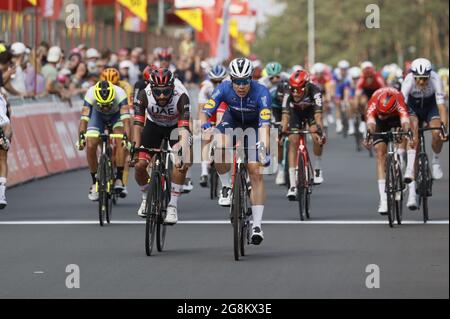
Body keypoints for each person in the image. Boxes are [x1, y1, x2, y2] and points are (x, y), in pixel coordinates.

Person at [199, 57, 272, 245]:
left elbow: (265, 126)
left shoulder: (262, 93)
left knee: (255, 171)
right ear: (231, 79)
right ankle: (226, 187)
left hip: (255, 126)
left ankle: (257, 225)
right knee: (220, 146)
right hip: (231, 120)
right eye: (237, 81)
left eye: (245, 81)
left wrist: (263, 148)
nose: (241, 86)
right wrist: (205, 124)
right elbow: (206, 110)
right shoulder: (223, 88)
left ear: (251, 78)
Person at [132, 68, 192, 224]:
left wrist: (183, 152)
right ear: (152, 89)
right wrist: (135, 150)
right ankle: (146, 197)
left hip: (176, 127)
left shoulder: (182, 96)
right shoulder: (143, 95)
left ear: (172, 88)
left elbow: (185, 129)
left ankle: (172, 205)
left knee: (181, 163)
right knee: (139, 165)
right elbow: (138, 125)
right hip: (153, 126)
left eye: (166, 91)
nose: (162, 96)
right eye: (158, 92)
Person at [364, 87, 416, 213]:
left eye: (384, 114)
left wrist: (407, 133)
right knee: (380, 153)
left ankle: (402, 165)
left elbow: (405, 122)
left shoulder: (399, 101)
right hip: (379, 123)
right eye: (381, 113)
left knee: (404, 134)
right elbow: (371, 123)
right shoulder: (374, 103)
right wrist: (369, 134)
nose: (382, 116)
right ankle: (383, 200)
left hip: (396, 118)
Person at [77, 80, 131, 201]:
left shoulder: (120, 94)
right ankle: (94, 183)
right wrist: (81, 137)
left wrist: (127, 138)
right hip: (97, 116)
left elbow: (127, 120)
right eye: (103, 104)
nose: (106, 108)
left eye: (108, 104)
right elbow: (84, 119)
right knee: (91, 145)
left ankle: (119, 178)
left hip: (116, 115)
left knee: (121, 139)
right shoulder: (90, 94)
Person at [282, 70, 326, 199]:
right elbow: (285, 115)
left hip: (310, 112)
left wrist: (319, 129)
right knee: (293, 141)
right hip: (295, 114)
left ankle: (317, 168)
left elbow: (318, 115)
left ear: (306, 86)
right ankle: (292, 185)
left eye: (300, 89)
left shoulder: (315, 90)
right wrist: (282, 130)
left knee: (316, 137)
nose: (296, 92)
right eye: (293, 89)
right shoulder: (287, 91)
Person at [401, 58, 448, 181]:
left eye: (425, 78)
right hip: (413, 108)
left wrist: (444, 127)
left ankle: (436, 161)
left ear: (429, 75)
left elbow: (442, 107)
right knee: (413, 136)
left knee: (437, 133)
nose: (421, 82)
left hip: (430, 107)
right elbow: (401, 107)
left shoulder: (435, 78)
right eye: (418, 78)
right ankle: (410, 170)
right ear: (413, 75)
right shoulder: (408, 80)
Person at [197, 64, 229, 187]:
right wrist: (203, 124)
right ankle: (204, 171)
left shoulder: (228, 85)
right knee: (206, 136)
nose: (217, 83)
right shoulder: (206, 87)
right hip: (210, 111)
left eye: (220, 81)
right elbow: (201, 109)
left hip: (224, 110)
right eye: (214, 81)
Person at [0, 92, 12, 209]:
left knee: (2, 158)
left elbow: (7, 125)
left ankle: (1, 194)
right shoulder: (3, 97)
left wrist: (5, 139)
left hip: (2, 129)